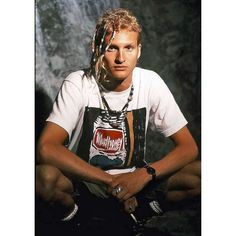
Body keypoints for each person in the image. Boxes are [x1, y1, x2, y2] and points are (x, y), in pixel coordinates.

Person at [36, 8, 200, 236]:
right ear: (97, 49)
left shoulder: (150, 82)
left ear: (139, 50)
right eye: (112, 47)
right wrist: (109, 181)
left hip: (136, 181)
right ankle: (77, 219)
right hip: (85, 184)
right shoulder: (78, 83)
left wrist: (142, 176)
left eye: (128, 48)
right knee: (43, 179)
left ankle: (142, 212)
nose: (121, 58)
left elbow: (189, 148)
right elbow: (46, 148)